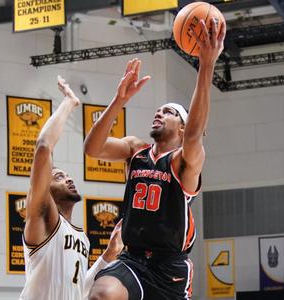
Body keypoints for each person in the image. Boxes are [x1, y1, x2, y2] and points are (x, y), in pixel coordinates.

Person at [84, 18, 225, 300]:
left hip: (169, 267)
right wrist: (118, 100)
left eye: (169, 112)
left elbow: (196, 134)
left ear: (183, 127)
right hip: (133, 259)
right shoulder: (136, 150)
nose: (159, 113)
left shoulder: (184, 162)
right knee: (101, 293)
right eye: (158, 110)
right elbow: (93, 148)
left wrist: (206, 65)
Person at [19, 76, 124, 300]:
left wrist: (108, 254)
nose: (68, 179)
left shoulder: (82, 238)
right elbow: (43, 147)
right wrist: (69, 102)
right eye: (58, 176)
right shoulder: (43, 217)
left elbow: (80, 289)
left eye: (67, 175)